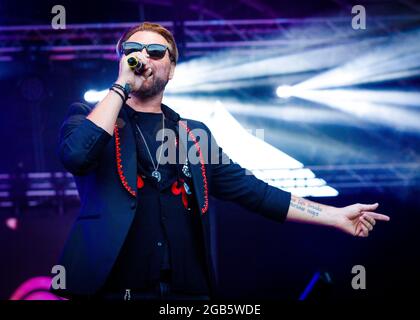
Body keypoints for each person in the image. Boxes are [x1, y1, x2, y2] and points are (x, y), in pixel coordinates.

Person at [53, 22, 390, 300]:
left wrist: (333, 215)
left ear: (171, 69)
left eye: (155, 52)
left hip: (185, 292)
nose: (143, 57)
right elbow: (77, 156)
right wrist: (120, 87)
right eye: (132, 51)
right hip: (110, 288)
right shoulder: (91, 116)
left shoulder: (193, 135)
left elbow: (254, 191)